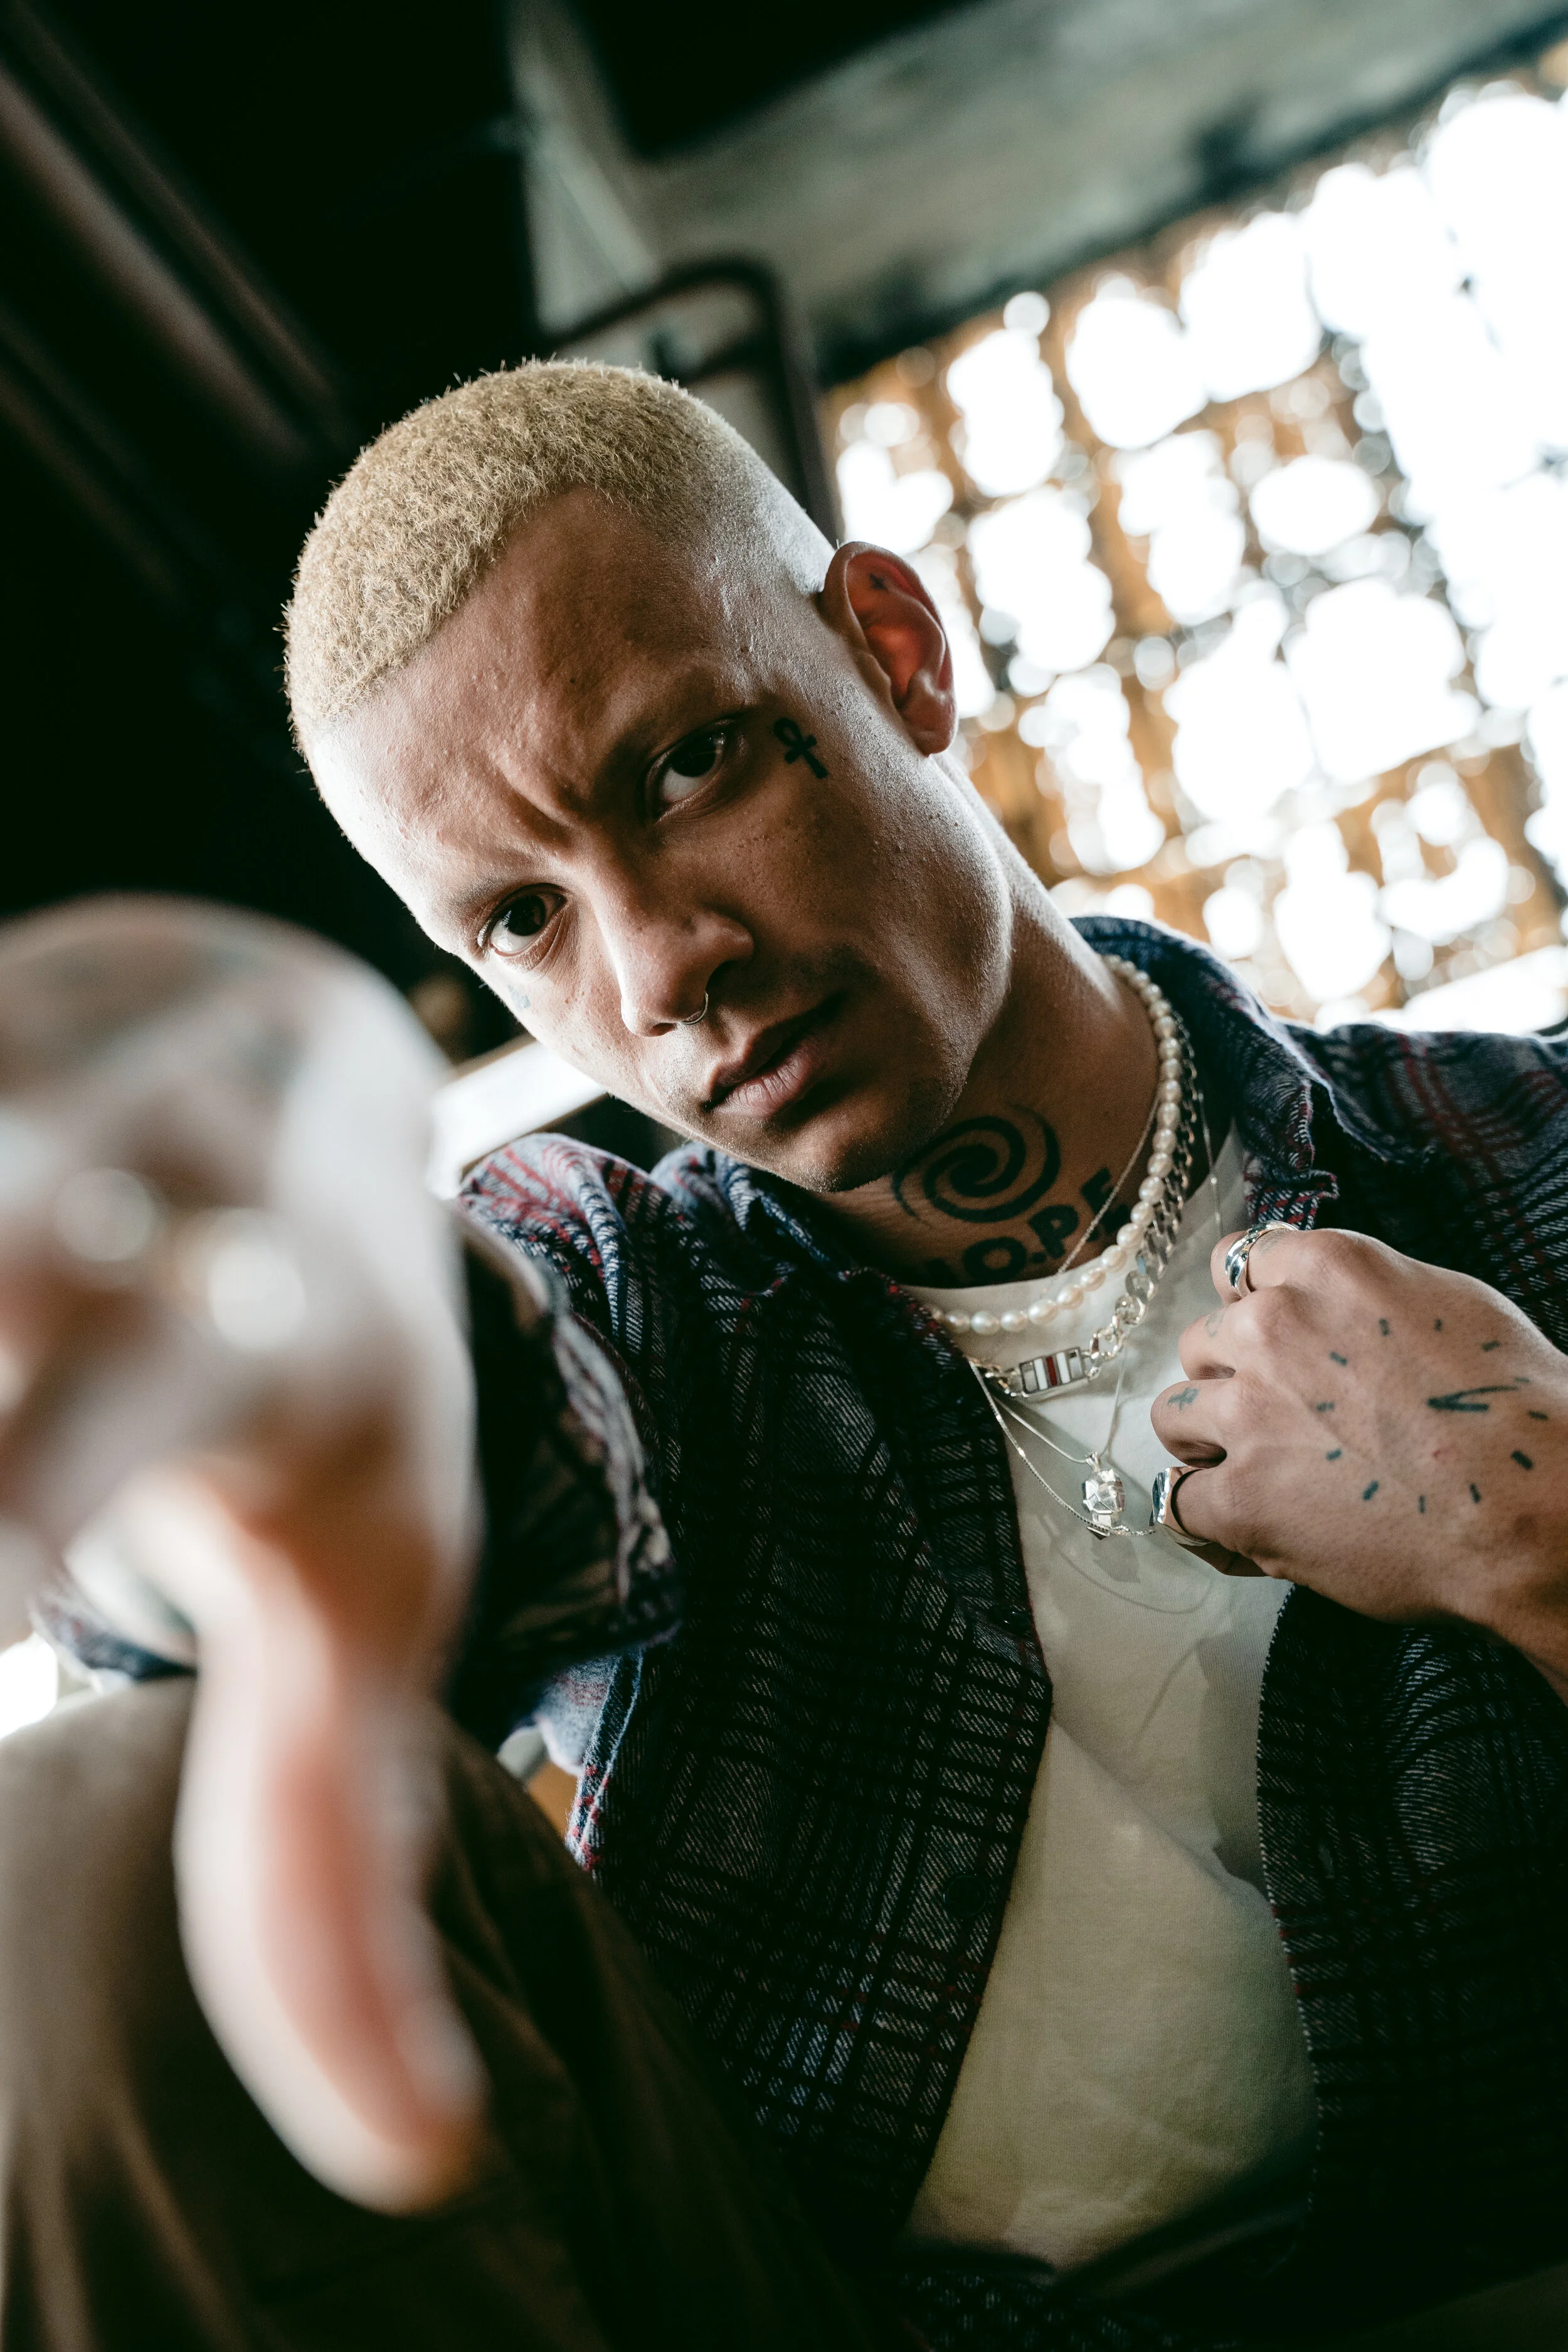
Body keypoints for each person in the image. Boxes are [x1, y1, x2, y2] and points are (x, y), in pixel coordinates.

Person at [1, 360, 1567, 2351]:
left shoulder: (1525, 1162)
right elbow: (435, 1404)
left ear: (894, 653)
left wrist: (1545, 1528)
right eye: (521, 918)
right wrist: (251, 1423)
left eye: (684, 768)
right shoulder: (611, 1303)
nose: (656, 968)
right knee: (88, 1827)